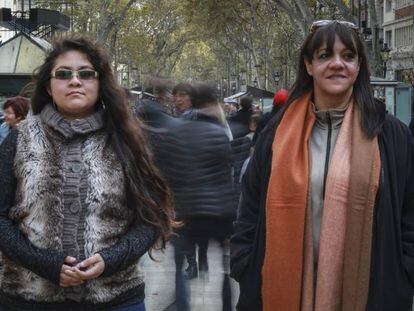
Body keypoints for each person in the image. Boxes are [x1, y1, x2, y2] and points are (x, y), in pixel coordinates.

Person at [230, 20, 414, 311]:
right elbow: (249, 207)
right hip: (282, 291)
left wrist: (403, 274)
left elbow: (409, 212)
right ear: (309, 65)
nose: (337, 64)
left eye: (348, 56)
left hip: (370, 295)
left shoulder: (391, 135)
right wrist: (244, 262)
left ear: (359, 65)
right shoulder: (276, 133)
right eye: (326, 55)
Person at [0, 36, 174, 310]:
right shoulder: (19, 139)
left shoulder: (127, 139)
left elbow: (150, 220)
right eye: (64, 74)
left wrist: (110, 260)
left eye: (86, 74)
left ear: (99, 82)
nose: (75, 81)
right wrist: (45, 264)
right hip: (29, 298)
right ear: (49, 84)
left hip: (115, 298)